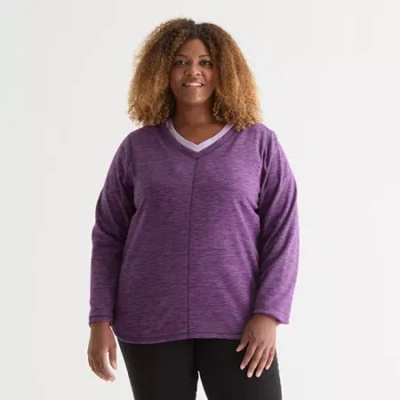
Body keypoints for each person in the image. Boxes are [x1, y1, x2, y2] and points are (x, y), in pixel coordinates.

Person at [87, 17, 300, 400]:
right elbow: (108, 236)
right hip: (150, 322)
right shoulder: (137, 149)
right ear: (162, 71)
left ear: (224, 71)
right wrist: (99, 318)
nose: (193, 72)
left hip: (238, 324)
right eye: (181, 62)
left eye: (206, 62)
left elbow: (282, 233)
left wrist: (269, 314)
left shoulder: (258, 143)